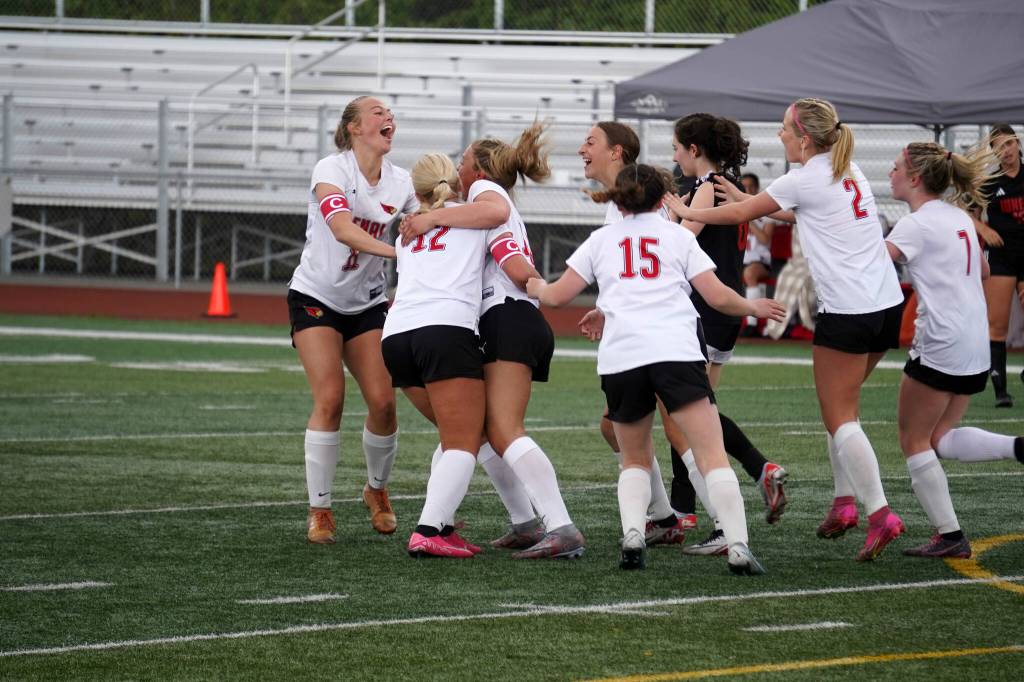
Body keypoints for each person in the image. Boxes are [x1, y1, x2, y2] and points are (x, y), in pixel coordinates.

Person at [669, 98, 907, 562]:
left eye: (783, 129)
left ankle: (880, 514)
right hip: (887, 305)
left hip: (851, 309)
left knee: (840, 416)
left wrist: (683, 206)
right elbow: (801, 212)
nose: (779, 135)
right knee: (841, 411)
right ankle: (843, 504)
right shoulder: (847, 169)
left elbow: (741, 216)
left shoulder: (804, 175)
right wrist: (743, 198)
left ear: (804, 137)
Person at [527, 163, 785, 573]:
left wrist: (536, 286)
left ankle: (633, 534)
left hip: (623, 357)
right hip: (675, 351)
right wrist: (752, 305)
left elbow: (557, 296)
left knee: (633, 457)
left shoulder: (601, 239)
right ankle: (737, 545)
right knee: (712, 455)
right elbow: (717, 296)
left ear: (618, 199)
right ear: (663, 196)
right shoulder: (677, 235)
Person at [400, 123, 585, 559]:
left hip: (508, 315)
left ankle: (560, 526)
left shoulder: (489, 195)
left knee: (500, 430)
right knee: (477, 430)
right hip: (504, 318)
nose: (459, 166)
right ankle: (522, 521)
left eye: (464, 159)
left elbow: (510, 254)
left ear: (480, 168)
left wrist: (540, 286)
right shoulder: (476, 206)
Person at [287, 96, 417, 544]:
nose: (388, 118)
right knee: (331, 397)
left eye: (390, 114)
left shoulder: (402, 182)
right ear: (355, 127)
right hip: (316, 296)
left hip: (366, 302)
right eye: (378, 112)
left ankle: (376, 491)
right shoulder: (332, 169)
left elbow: (426, 225)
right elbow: (342, 228)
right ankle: (320, 509)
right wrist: (401, 251)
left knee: (383, 402)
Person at [886, 142, 1024, 558]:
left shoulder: (917, 224)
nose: (890, 173)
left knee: (913, 439)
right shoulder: (958, 217)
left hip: (942, 341)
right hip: (973, 344)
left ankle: (949, 535)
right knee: (939, 437)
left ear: (914, 178)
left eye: (895, 168)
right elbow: (982, 270)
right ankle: (1017, 448)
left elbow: (871, 263)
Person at [662, 113, 789, 558]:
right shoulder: (724, 184)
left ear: (694, 150)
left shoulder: (704, 187)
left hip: (708, 306)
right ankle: (684, 508)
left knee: (691, 416)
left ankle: (737, 492)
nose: (673, 153)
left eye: (678, 146)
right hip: (721, 306)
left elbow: (680, 240)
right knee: (690, 413)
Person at [382, 153, 514, 558]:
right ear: (454, 181)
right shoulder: (468, 216)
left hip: (397, 336)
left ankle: (442, 523)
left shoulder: (406, 229)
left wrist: (431, 217)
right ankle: (428, 530)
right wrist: (440, 216)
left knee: (459, 435)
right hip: (444, 328)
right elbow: (499, 210)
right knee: (464, 441)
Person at [577, 121, 691, 545]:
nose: (581, 150)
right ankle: (663, 517)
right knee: (617, 428)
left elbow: (668, 257)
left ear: (617, 152)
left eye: (591, 142)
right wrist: (605, 309)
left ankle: (726, 522)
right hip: (642, 332)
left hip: (662, 332)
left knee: (683, 426)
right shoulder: (622, 201)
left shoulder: (643, 200)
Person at [973, 124, 1024, 407]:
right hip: (1002, 257)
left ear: (1017, 143)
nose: (1006, 151)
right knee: (998, 325)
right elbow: (967, 215)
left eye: (1009, 144)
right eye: (999, 147)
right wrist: (983, 229)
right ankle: (1001, 391)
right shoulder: (989, 183)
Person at [739, 173, 776, 334]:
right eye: (744, 187)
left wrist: (748, 220)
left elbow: (764, 239)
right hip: (740, 259)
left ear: (756, 188)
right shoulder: (735, 210)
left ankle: (752, 323)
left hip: (760, 261)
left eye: (750, 187)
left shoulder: (766, 213)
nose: (747, 190)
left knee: (749, 274)